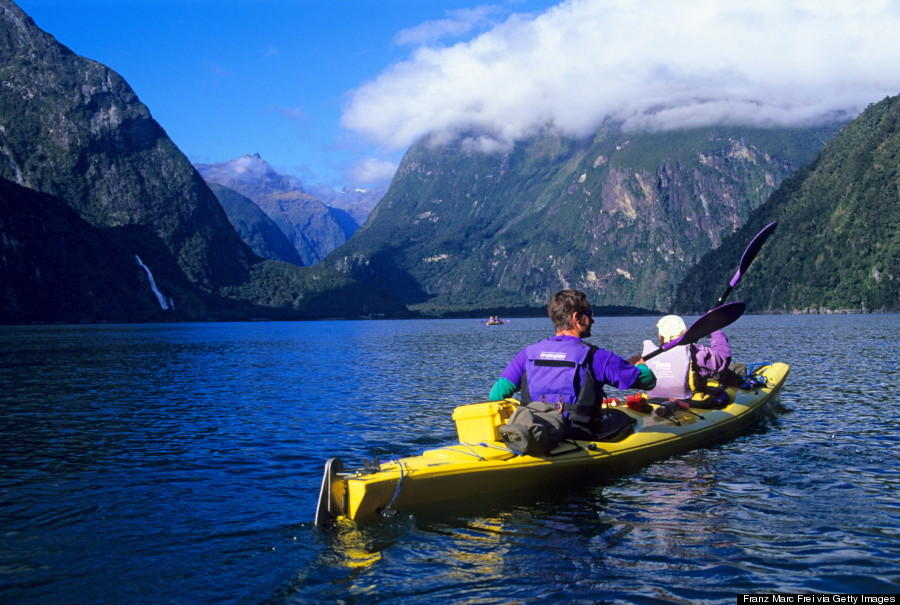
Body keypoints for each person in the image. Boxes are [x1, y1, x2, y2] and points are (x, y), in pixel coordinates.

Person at [489, 289, 656, 440]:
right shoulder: (597, 356)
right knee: (623, 418)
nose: (593, 320)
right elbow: (647, 381)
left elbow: (496, 395)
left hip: (535, 430)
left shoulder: (527, 354)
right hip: (580, 433)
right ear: (577, 318)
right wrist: (640, 365)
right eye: (589, 314)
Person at [641, 315, 734, 400]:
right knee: (734, 369)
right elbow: (723, 359)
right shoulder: (696, 353)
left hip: (653, 400)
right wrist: (715, 328)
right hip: (690, 401)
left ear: (660, 336)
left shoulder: (649, 356)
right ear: (685, 332)